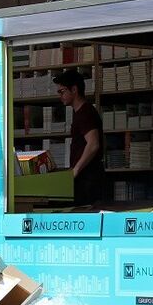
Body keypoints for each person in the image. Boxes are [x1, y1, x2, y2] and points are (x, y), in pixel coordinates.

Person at [54, 70, 104, 206]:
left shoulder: (85, 113)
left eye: (62, 91)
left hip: (87, 177)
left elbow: (93, 144)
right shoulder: (80, 112)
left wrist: (75, 170)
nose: (60, 96)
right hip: (85, 176)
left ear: (74, 89)